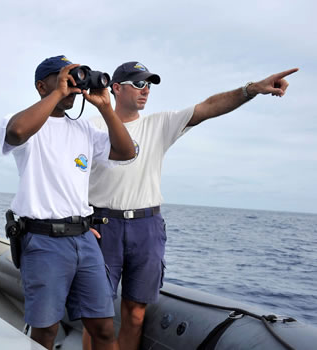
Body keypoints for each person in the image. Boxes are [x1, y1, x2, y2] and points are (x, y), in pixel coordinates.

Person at [84, 61, 298, 350]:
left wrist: (252, 90)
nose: (145, 90)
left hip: (146, 227)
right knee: (98, 315)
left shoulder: (160, 123)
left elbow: (209, 107)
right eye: (138, 84)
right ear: (116, 88)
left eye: (149, 85)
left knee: (135, 314)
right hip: (102, 225)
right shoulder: (90, 127)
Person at [0, 55, 135, 350]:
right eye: (65, 78)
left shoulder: (84, 130)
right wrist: (59, 92)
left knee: (104, 328)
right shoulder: (21, 122)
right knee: (45, 331)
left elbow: (126, 153)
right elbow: (16, 133)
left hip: (84, 239)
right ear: (40, 85)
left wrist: (106, 108)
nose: (73, 86)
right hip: (42, 239)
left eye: (76, 79)